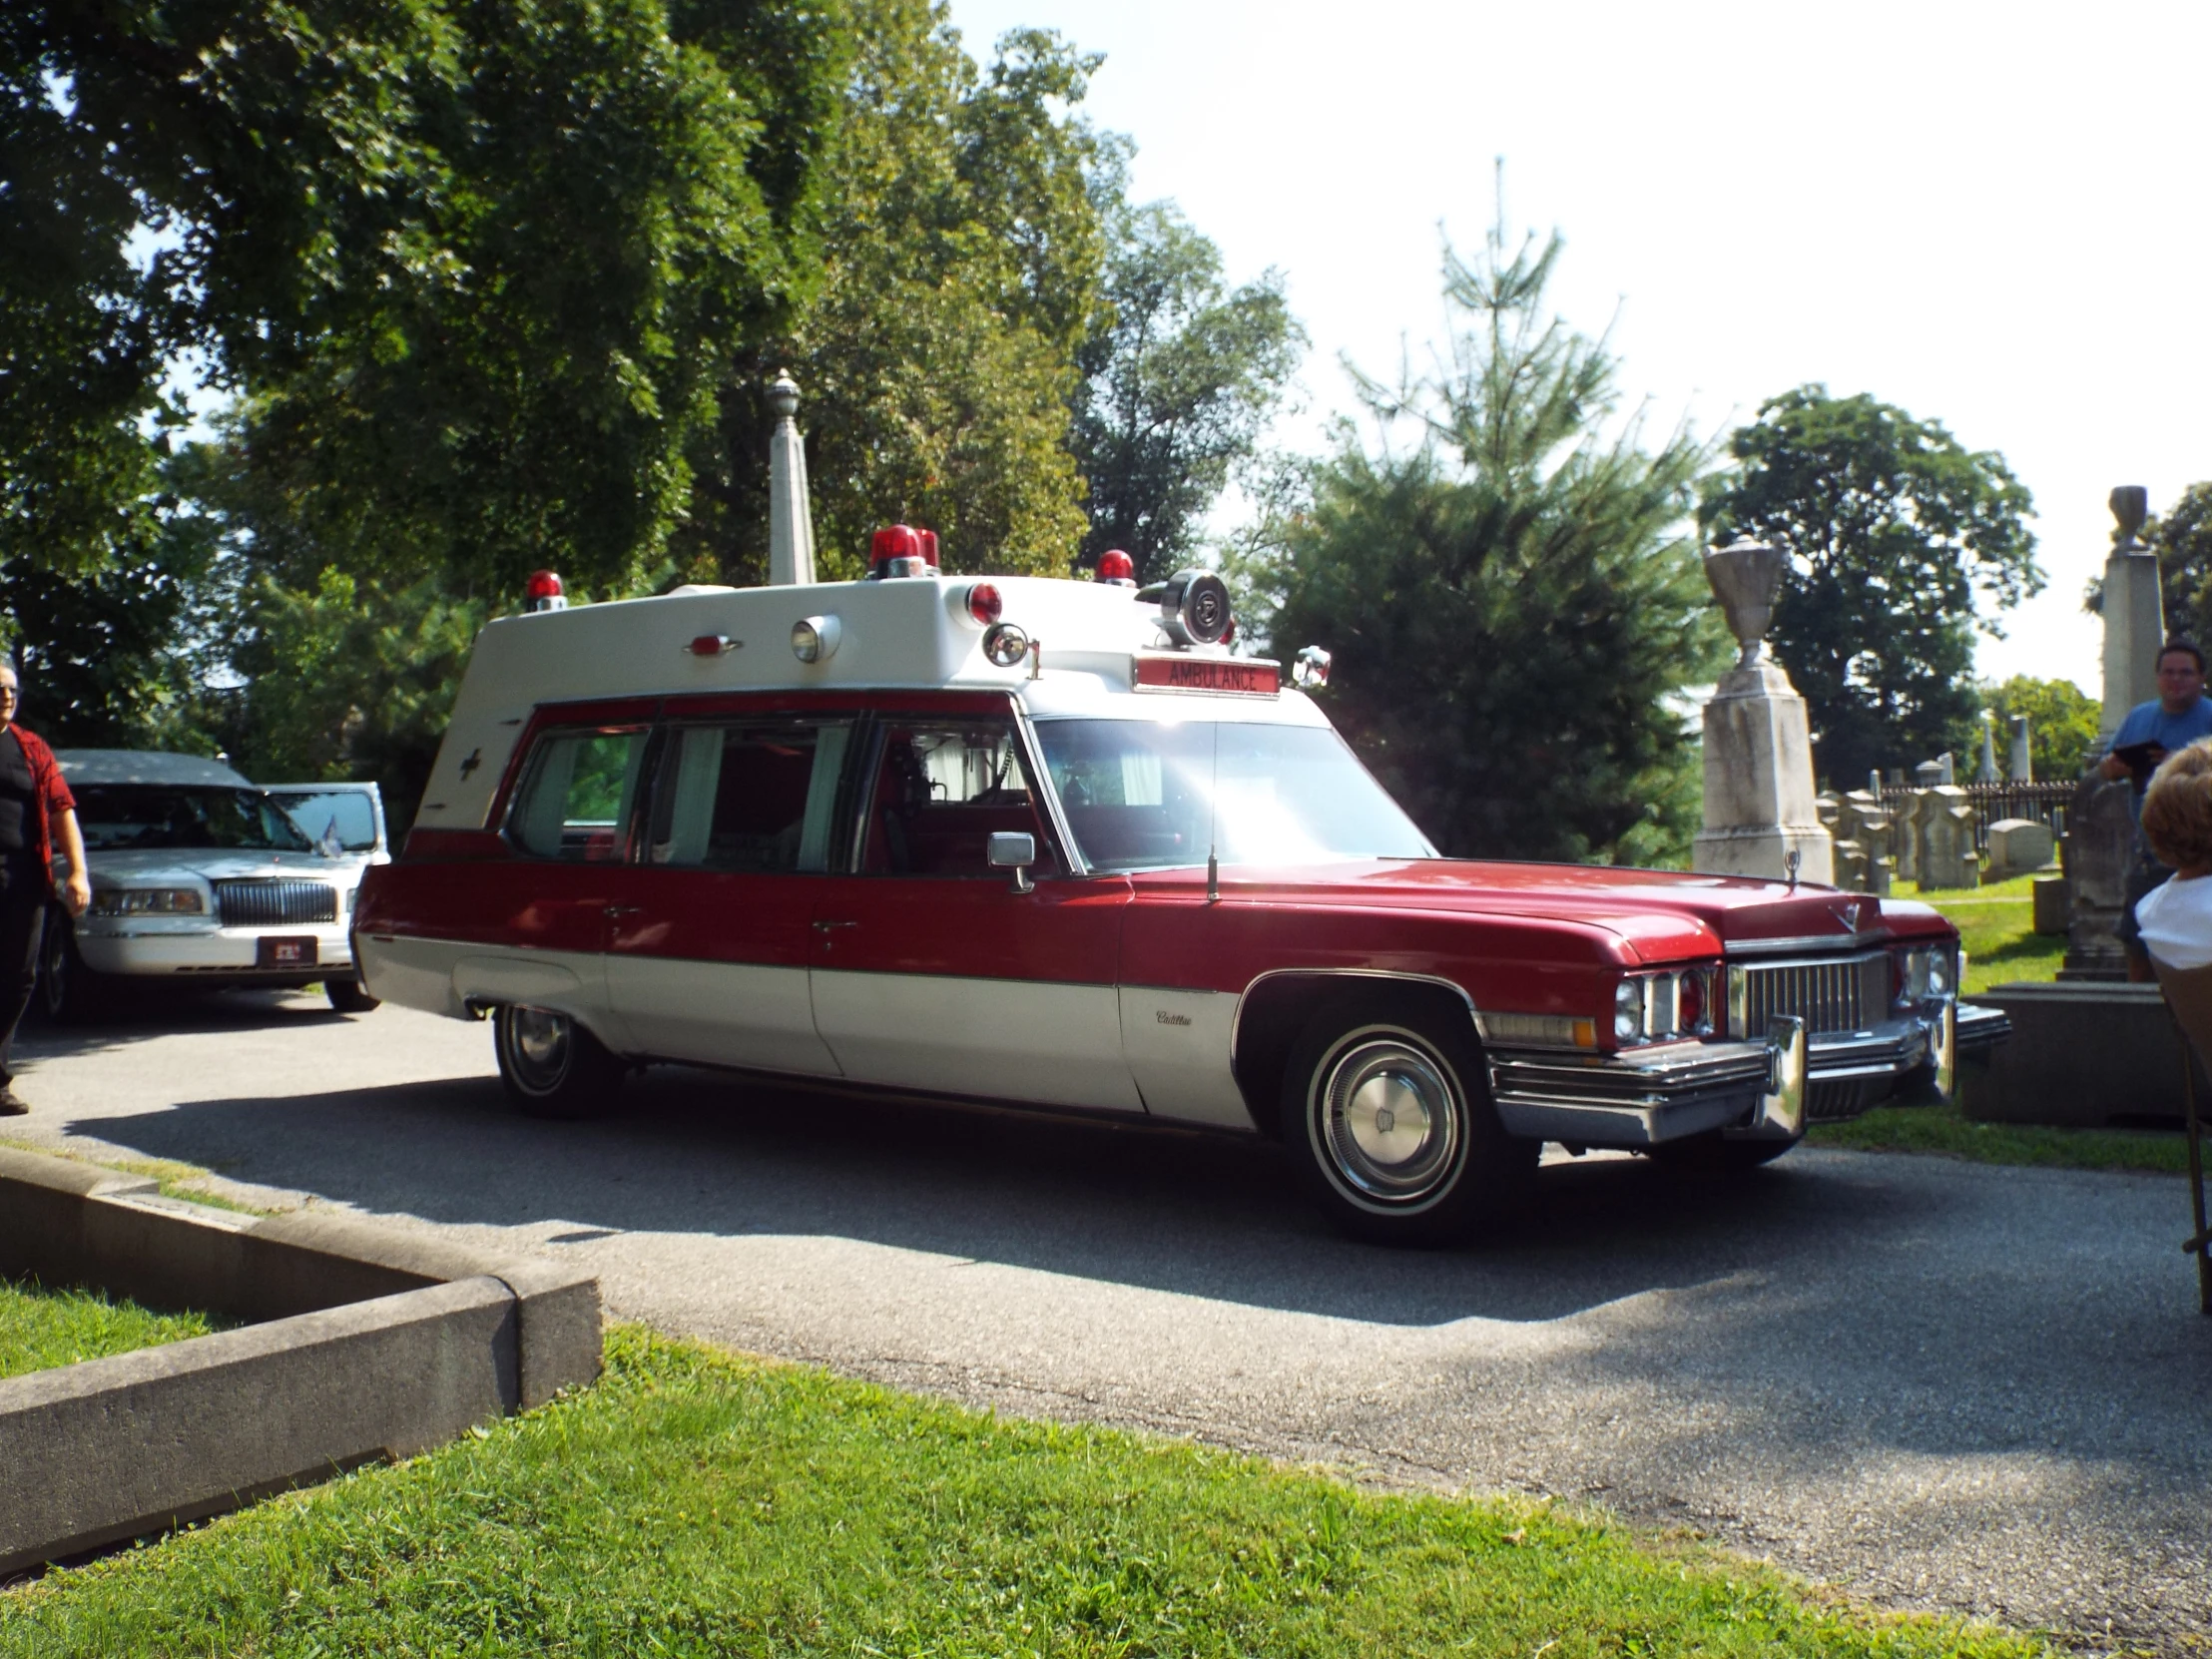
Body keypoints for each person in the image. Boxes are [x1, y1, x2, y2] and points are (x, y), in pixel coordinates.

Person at [0, 664, 91, 1113]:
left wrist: (77, 872)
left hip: (24, 878)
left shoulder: (31, 748)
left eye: (12, 690)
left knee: (18, 978)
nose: (6, 696)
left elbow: (61, 809)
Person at [2098, 639, 2212, 979]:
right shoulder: (2139, 717)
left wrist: (2175, 767)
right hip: (2150, 854)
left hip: (2204, 855)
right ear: (2158, 677)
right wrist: (2113, 768)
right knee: (2139, 943)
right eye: (2168, 672)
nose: (2176, 680)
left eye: (2185, 673)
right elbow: (2103, 766)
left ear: (2202, 678)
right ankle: (2143, 1014)